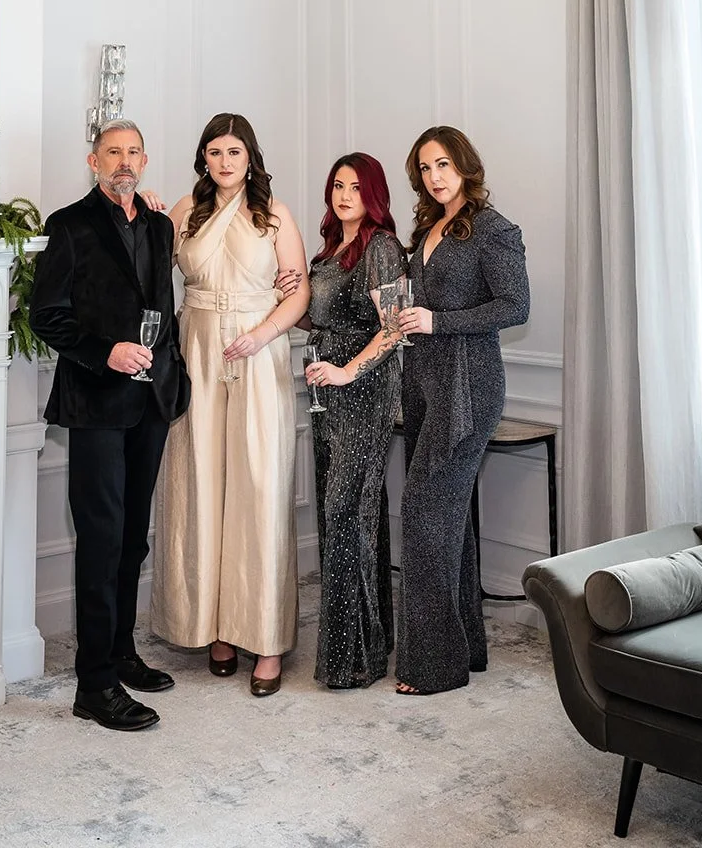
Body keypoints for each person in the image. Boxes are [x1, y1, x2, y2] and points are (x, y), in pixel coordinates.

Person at [29, 119, 190, 732]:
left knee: (132, 538)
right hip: (96, 403)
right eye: (112, 152)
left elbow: (162, 308)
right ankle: (94, 685)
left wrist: (173, 373)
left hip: (151, 403)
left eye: (133, 152)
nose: (124, 161)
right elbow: (47, 315)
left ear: (144, 161)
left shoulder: (159, 224)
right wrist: (107, 353)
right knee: (100, 541)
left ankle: (121, 653)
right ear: (93, 161)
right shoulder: (68, 224)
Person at [150, 113, 310, 697]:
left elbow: (298, 292)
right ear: (204, 158)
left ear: (250, 158)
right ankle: (214, 627)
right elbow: (144, 266)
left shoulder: (275, 215)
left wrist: (263, 334)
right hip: (195, 348)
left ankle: (264, 639)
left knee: (258, 488)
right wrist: (143, 210)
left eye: (234, 152)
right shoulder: (184, 212)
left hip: (258, 352)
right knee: (200, 485)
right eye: (214, 152)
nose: (224, 161)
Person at [394, 125, 529, 695]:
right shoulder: (428, 227)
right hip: (423, 383)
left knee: (424, 513)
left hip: (468, 387)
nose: (434, 176)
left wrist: (438, 321)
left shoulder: (494, 229)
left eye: (443, 164)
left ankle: (434, 666)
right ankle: (466, 648)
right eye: (425, 168)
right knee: (449, 521)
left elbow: (516, 306)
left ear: (465, 166)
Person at [302, 153, 405, 689]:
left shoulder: (382, 247)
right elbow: (320, 318)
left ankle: (354, 659)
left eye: (356, 188)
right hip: (327, 395)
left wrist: (346, 372)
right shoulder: (328, 252)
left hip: (364, 393)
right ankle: (369, 643)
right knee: (345, 515)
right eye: (338, 185)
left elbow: (395, 329)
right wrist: (282, 295)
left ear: (374, 195)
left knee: (347, 513)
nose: (345, 196)